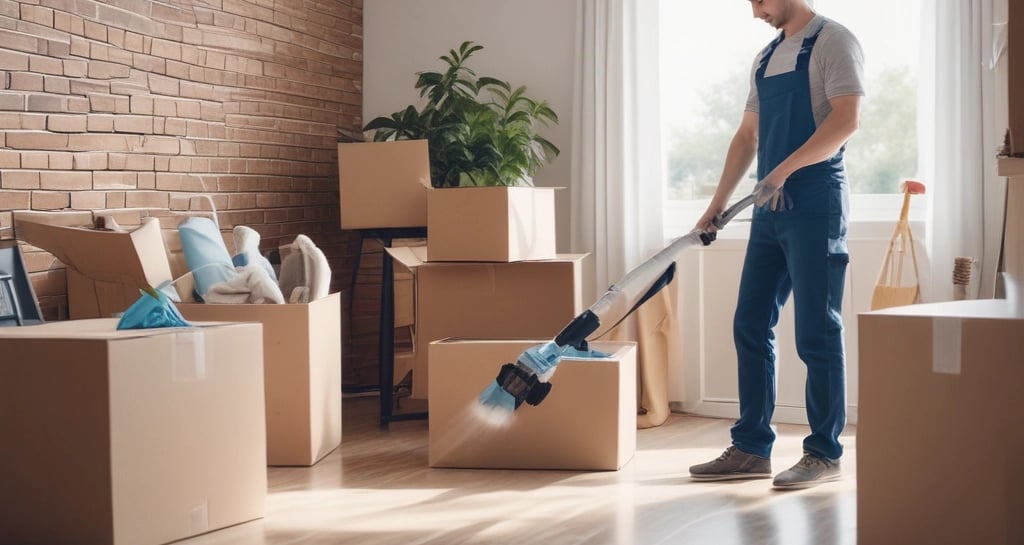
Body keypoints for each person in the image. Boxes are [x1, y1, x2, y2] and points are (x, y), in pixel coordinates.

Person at [688, 0, 864, 489]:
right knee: (750, 321)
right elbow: (748, 135)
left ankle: (824, 454)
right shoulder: (766, 57)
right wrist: (716, 205)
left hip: (814, 201)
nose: (755, 11)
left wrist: (784, 169)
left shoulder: (833, 40)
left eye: (760, 0)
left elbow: (846, 120)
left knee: (816, 330)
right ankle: (750, 448)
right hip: (769, 207)